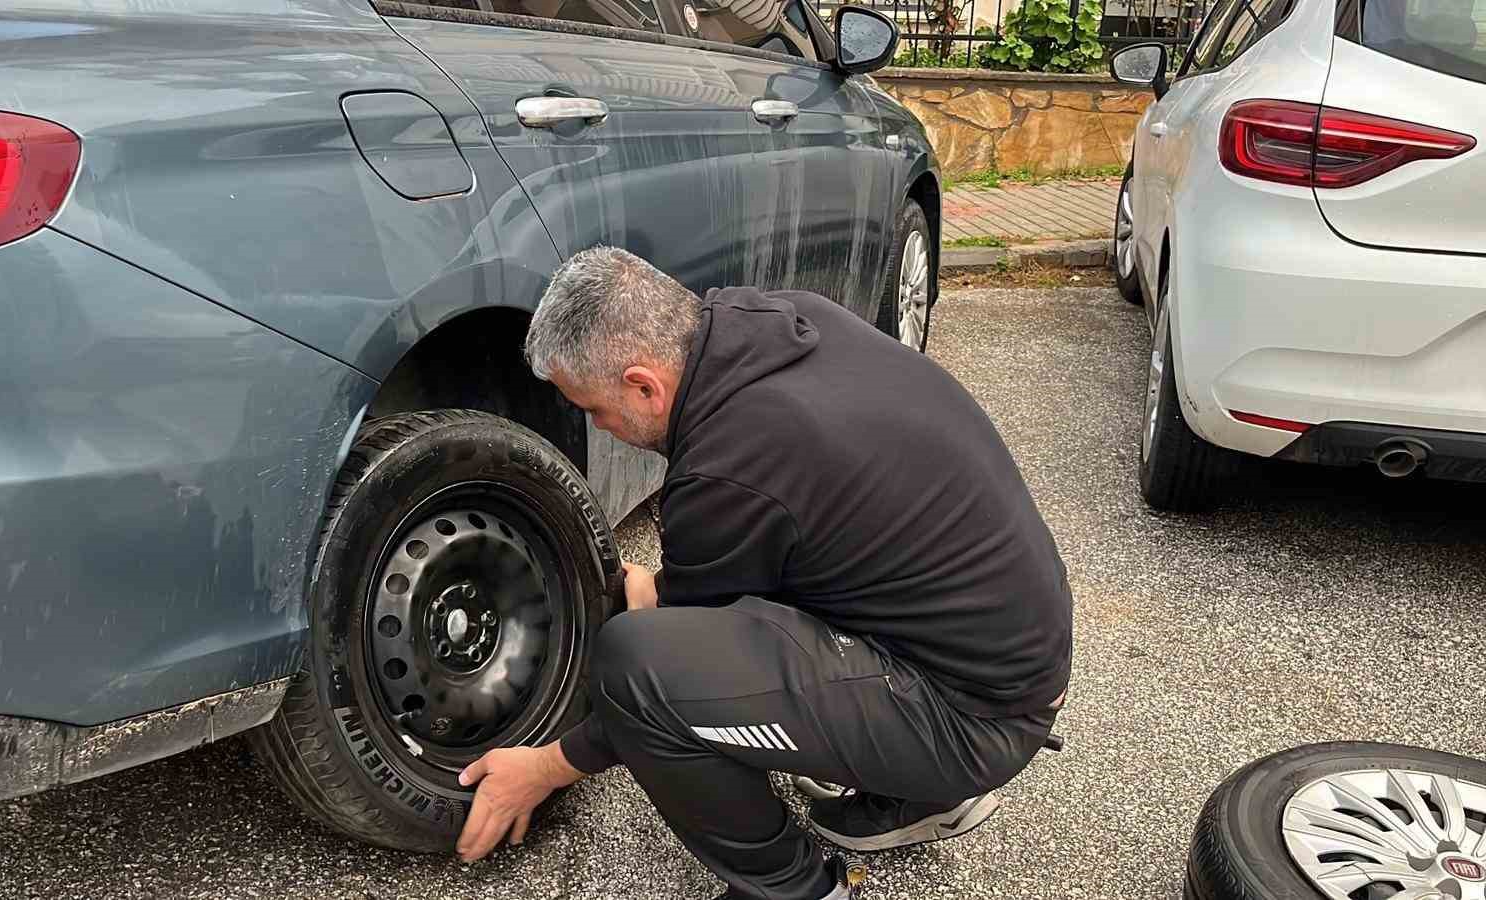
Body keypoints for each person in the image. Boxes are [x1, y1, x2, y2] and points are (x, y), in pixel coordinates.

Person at [454, 247, 1073, 900]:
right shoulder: (775, 324)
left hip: (974, 717)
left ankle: (796, 888)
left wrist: (546, 766)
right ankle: (915, 796)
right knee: (684, 627)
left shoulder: (727, 469)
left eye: (596, 409)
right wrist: (664, 594)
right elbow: (779, 541)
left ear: (643, 385)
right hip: (1012, 651)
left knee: (632, 666)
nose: (598, 427)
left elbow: (650, 690)